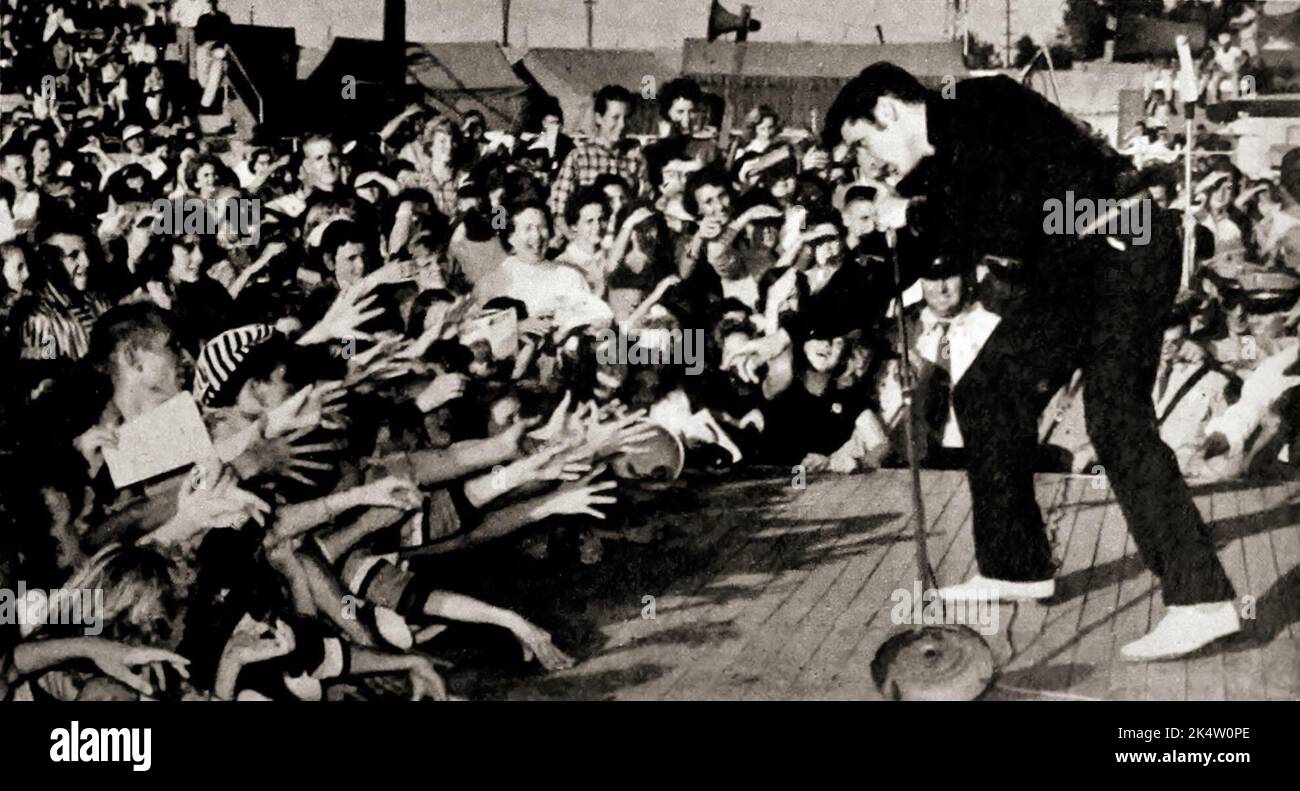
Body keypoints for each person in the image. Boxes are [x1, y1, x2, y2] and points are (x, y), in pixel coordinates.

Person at [824, 62, 1240, 660]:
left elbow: (1007, 214)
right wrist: (812, 321)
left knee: (1116, 422)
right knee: (988, 387)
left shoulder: (981, 105)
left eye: (864, 142)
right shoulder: (940, 170)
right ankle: (1016, 566)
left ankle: (1204, 601)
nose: (870, 164)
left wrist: (912, 215)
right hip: (1072, 269)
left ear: (888, 111)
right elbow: (921, 246)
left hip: (1126, 247)